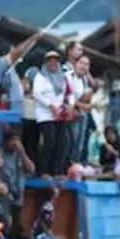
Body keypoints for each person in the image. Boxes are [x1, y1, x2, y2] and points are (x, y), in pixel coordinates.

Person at [31, 49, 75, 177]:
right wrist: (50, 105)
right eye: (50, 61)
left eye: (56, 61)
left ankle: (57, 171)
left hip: (60, 113)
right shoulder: (41, 77)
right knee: (49, 141)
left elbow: (70, 92)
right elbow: (37, 93)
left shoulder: (63, 76)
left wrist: (71, 106)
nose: (53, 64)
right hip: (45, 114)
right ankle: (44, 170)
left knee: (61, 142)